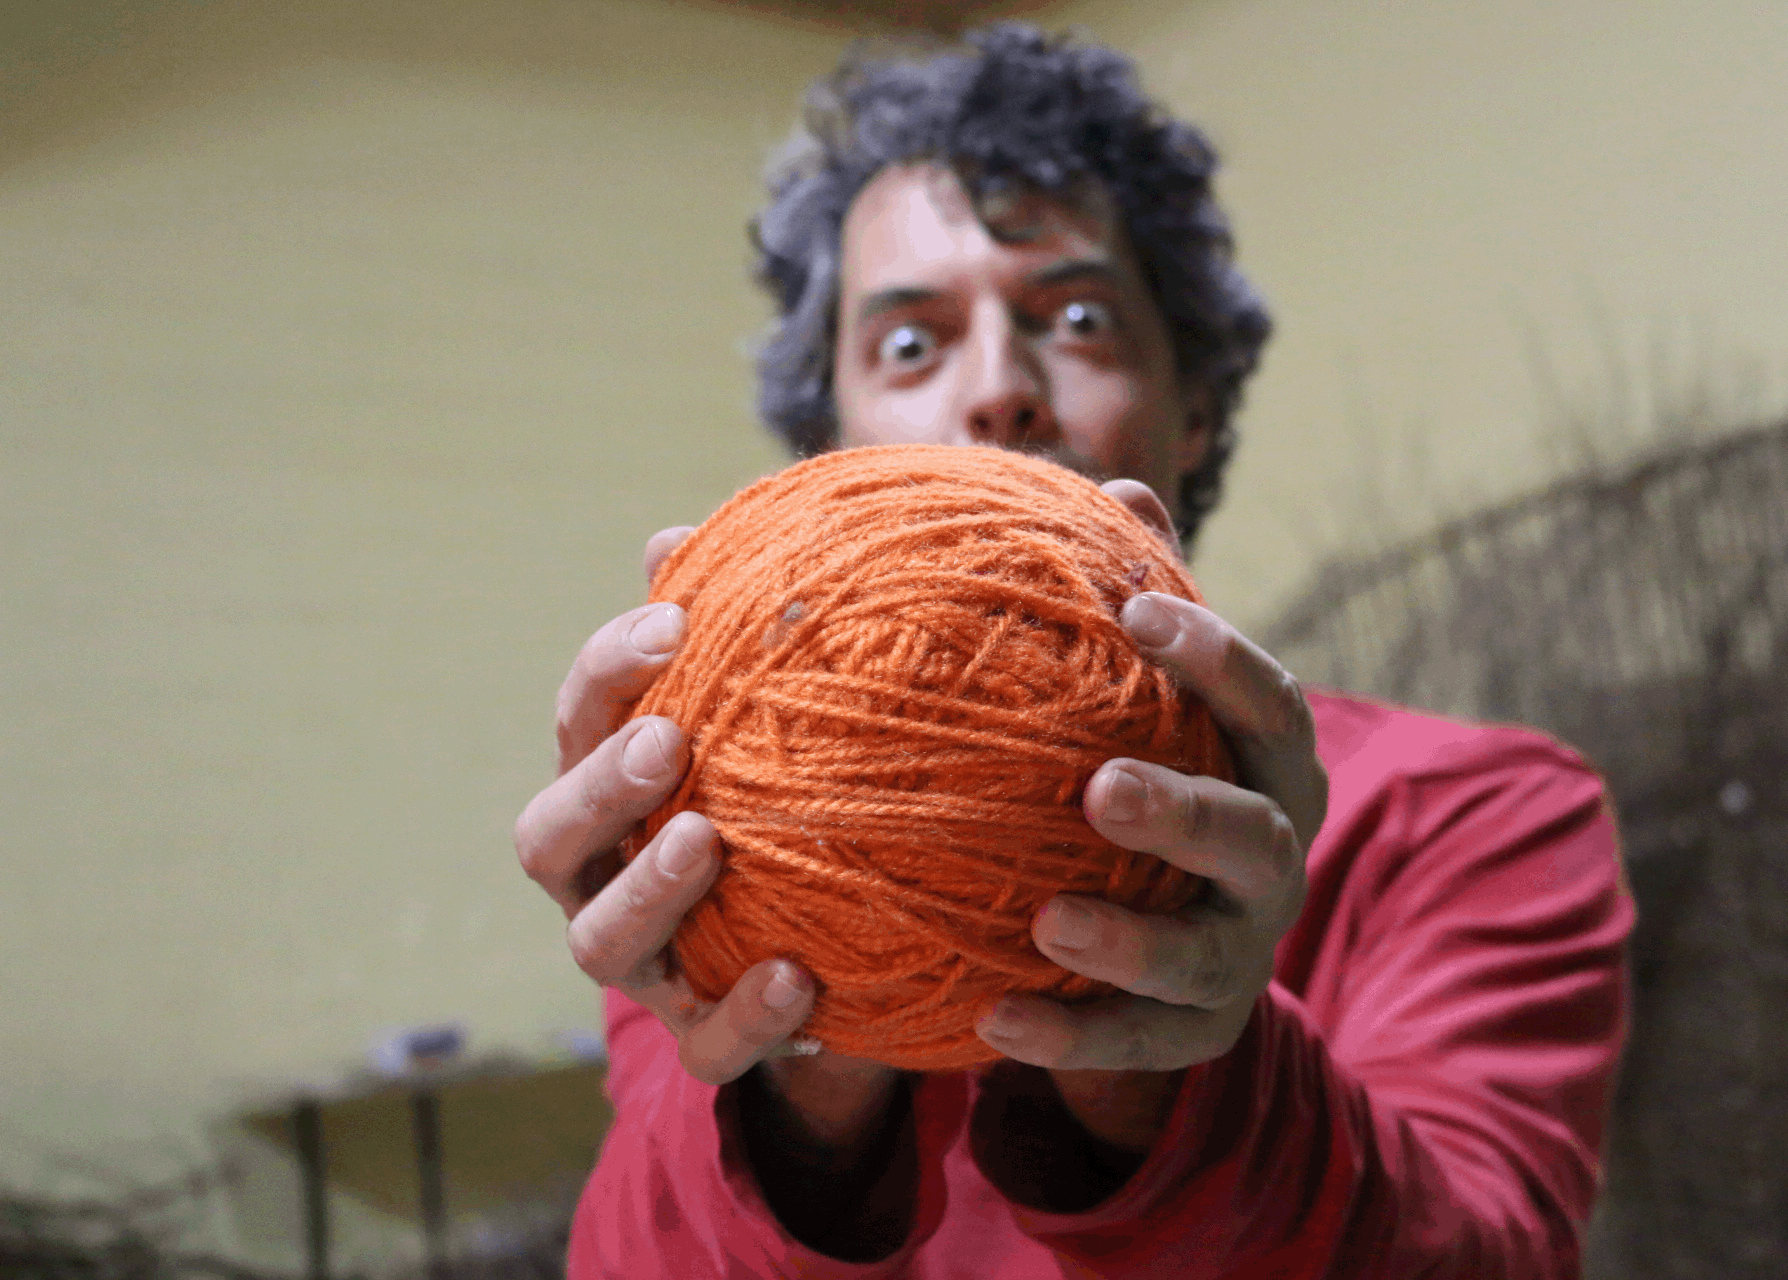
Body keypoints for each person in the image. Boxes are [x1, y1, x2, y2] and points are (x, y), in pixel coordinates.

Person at [514, 24, 1634, 1278]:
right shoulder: (713, 831)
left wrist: (1180, 1072)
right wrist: (800, 1066)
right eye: (909, 342)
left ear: (1192, 409)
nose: (999, 388)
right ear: (830, 440)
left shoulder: (1479, 808)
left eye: (1081, 317)